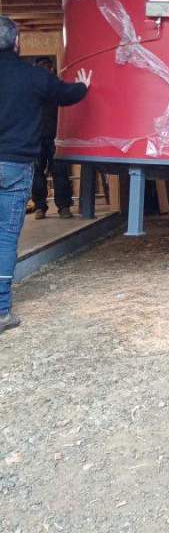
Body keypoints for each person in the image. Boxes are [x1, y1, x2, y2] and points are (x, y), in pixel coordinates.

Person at [0, 17, 91, 334]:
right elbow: (69, 94)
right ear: (17, 42)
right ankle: (1, 311)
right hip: (14, 165)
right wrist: (84, 85)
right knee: (5, 238)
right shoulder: (33, 77)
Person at [31, 56, 75, 220]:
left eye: (46, 67)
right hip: (36, 137)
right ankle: (40, 206)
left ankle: (63, 206)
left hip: (56, 137)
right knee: (37, 173)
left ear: (52, 70)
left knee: (60, 172)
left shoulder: (57, 87)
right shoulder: (31, 89)